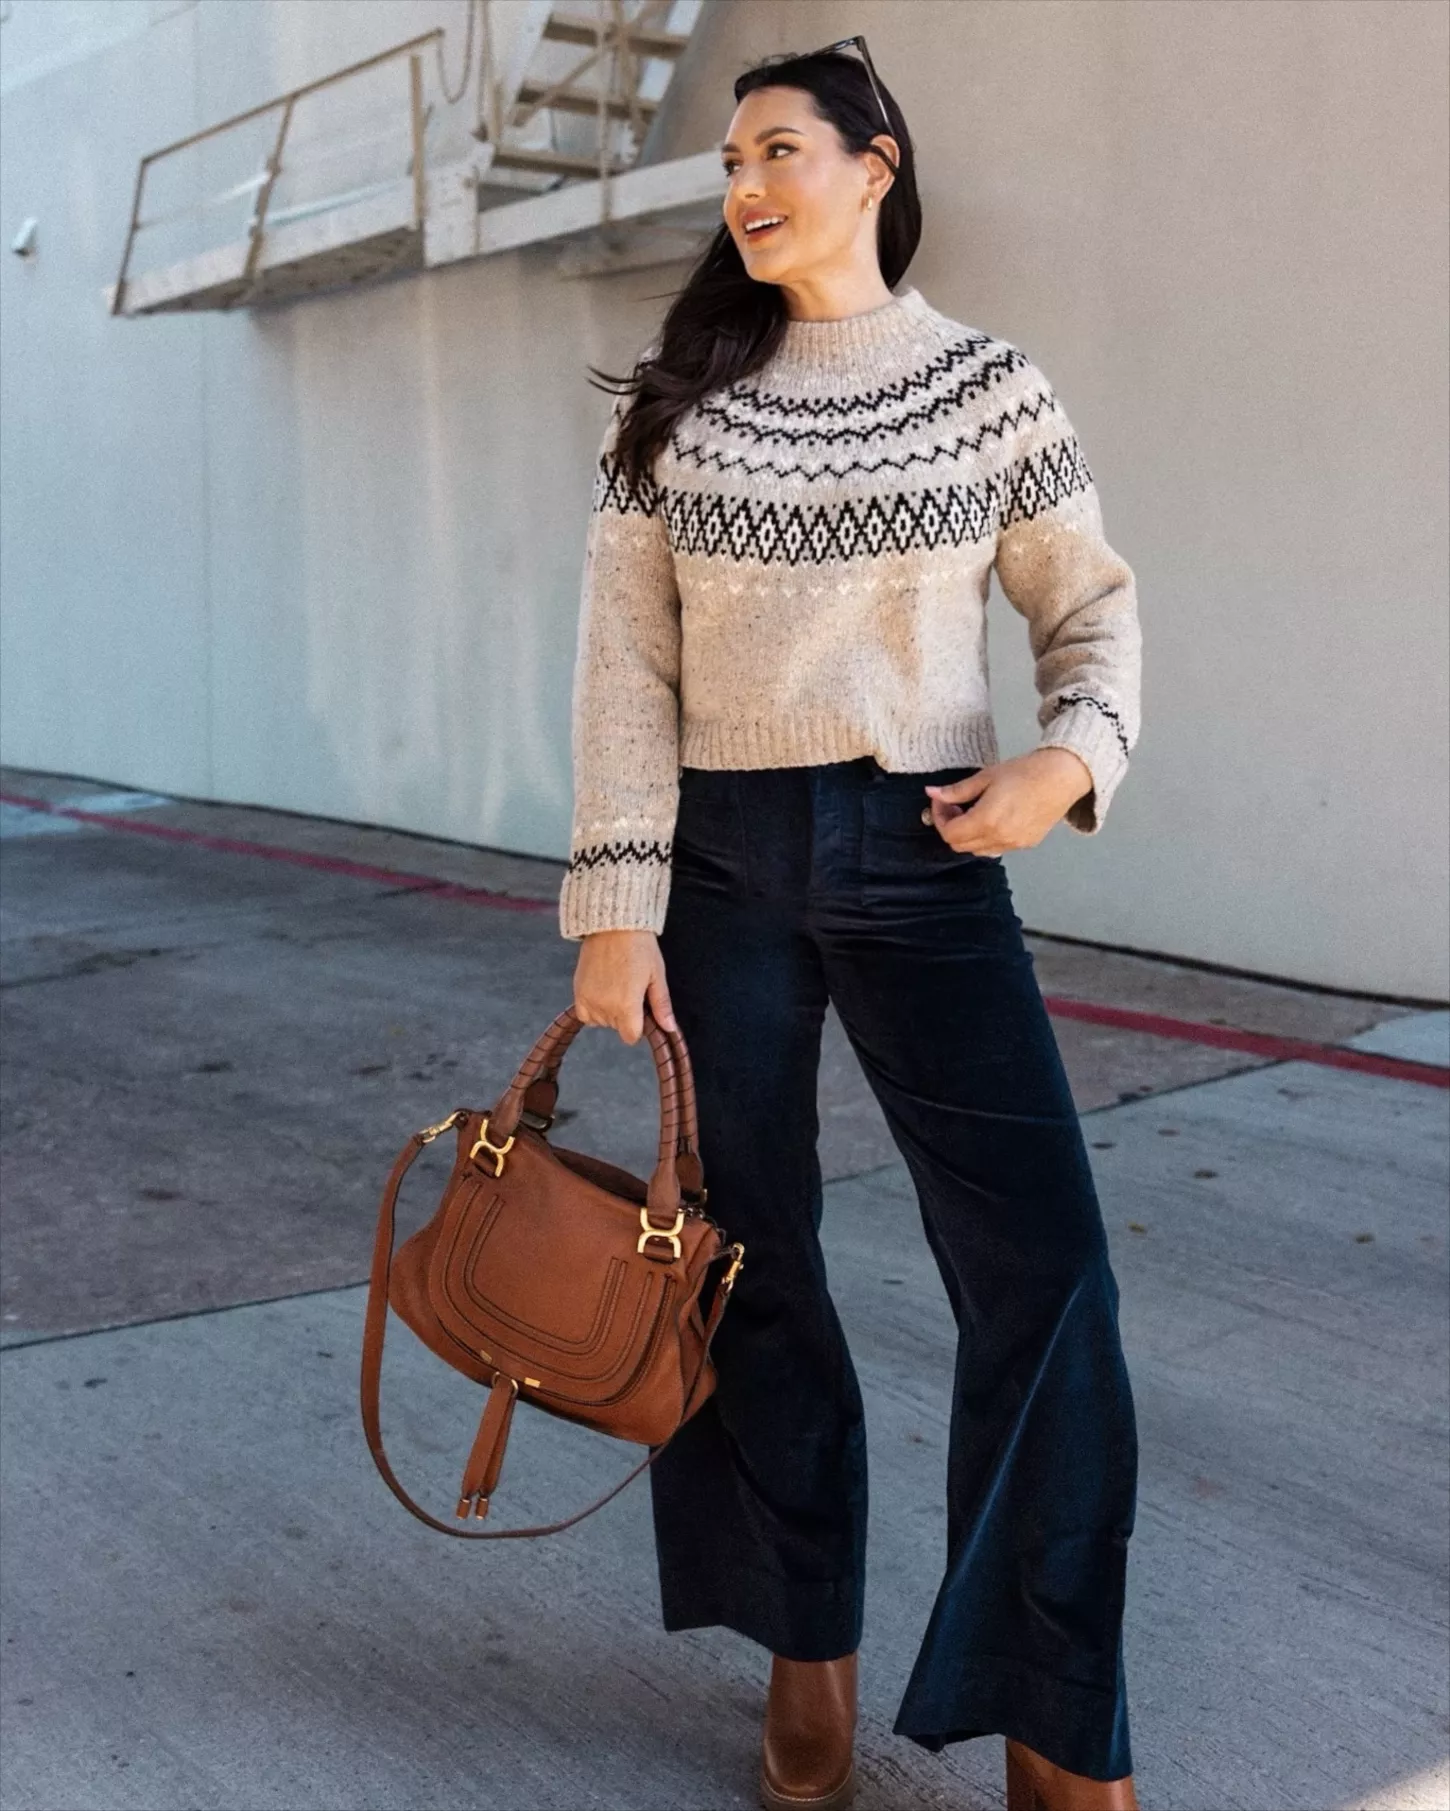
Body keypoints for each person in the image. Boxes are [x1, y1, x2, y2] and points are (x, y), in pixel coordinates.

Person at [560, 36, 1142, 1811]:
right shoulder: (676, 408)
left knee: (1044, 1274)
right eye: (730, 161)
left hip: (928, 851)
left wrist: (1070, 759)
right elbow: (625, 668)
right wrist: (615, 903)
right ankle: (800, 1644)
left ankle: (1053, 1712)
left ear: (873, 165)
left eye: (778, 149)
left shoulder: (986, 386)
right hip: (721, 864)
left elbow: (1087, 609)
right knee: (750, 1263)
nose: (744, 184)